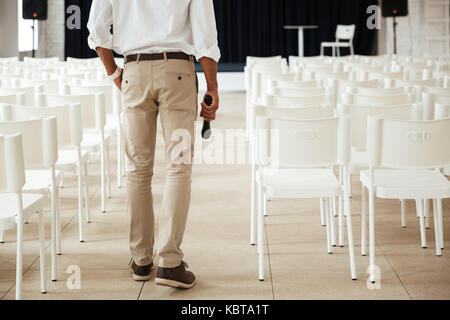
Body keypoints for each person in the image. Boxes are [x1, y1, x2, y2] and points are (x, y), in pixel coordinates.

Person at [87, 0, 220, 289]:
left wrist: (114, 74)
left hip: (133, 69)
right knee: (178, 166)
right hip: (177, 71)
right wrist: (212, 87)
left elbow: (97, 29)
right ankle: (170, 264)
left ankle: (142, 260)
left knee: (137, 170)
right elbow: (205, 37)